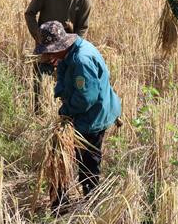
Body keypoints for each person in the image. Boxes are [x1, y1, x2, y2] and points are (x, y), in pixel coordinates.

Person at [35, 21, 121, 210]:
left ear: (60, 46)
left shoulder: (81, 59)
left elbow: (86, 98)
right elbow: (64, 74)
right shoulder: (71, 51)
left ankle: (92, 205)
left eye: (50, 52)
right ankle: (61, 203)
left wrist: (66, 111)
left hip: (93, 117)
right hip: (84, 113)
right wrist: (60, 92)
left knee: (88, 163)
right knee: (61, 155)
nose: (49, 56)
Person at [24, 0, 93, 113]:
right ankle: (38, 116)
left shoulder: (84, 0)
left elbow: (82, 28)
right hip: (45, 49)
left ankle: (63, 118)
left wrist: (69, 50)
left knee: (66, 89)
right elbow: (30, 13)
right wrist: (39, 37)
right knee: (40, 86)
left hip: (68, 52)